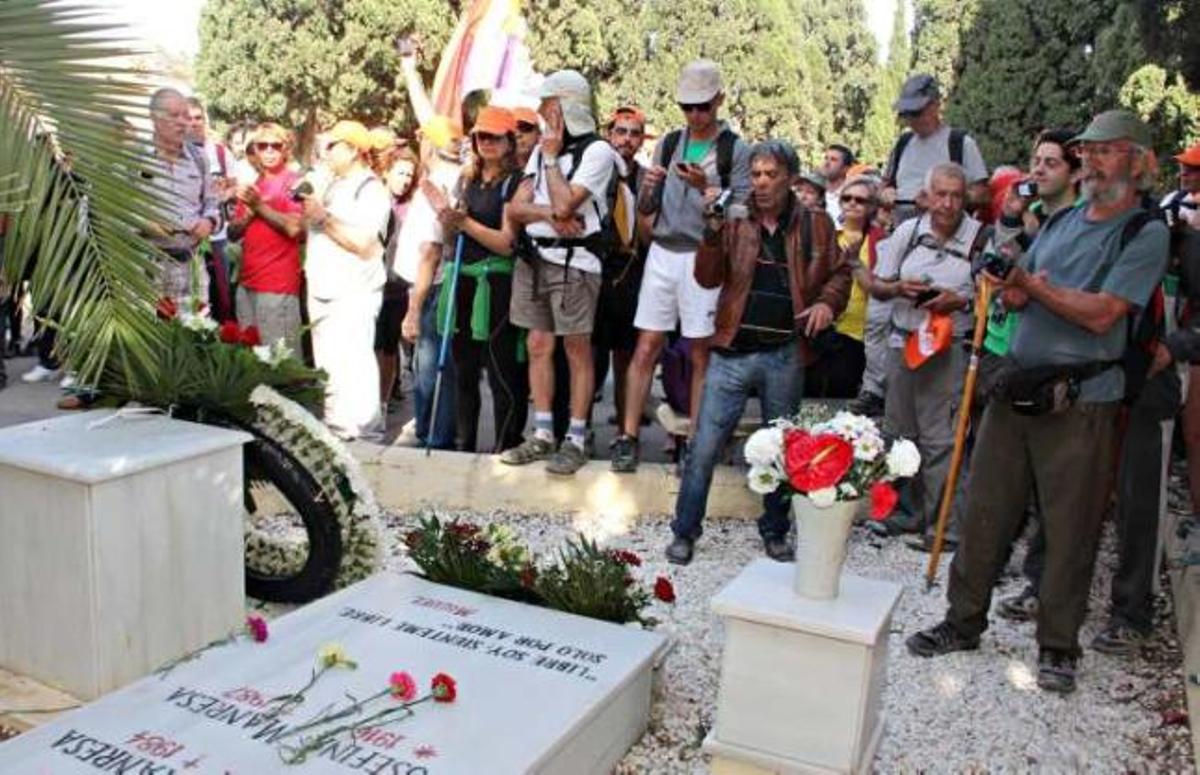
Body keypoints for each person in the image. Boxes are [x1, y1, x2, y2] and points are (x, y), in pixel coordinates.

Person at [906, 111, 1169, 695]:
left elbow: (1103, 314)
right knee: (985, 511)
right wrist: (1010, 290)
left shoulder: (1144, 232)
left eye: (1105, 151)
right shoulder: (1064, 219)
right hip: (1018, 384)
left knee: (1071, 528)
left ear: (1138, 161)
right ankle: (962, 620)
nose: (1091, 161)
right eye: (1087, 151)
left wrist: (1032, 285)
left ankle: (1058, 646)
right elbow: (1025, 292)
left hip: (1082, 401)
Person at [666, 140, 850, 565]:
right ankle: (684, 531)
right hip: (731, 353)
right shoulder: (733, 218)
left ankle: (775, 531)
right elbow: (706, 278)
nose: (761, 183)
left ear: (791, 179)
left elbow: (841, 274)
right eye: (756, 175)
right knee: (704, 446)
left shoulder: (816, 224)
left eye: (771, 175)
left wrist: (827, 303)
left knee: (782, 449)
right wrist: (711, 233)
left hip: (785, 354)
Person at [612, 59, 752, 473]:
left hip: (703, 254)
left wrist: (708, 190)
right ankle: (627, 437)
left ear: (719, 101)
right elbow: (648, 207)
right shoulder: (670, 142)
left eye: (702, 106)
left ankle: (695, 442)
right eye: (687, 107)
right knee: (646, 344)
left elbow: (741, 211)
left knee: (700, 351)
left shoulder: (734, 150)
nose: (694, 115)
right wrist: (649, 189)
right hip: (662, 249)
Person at [502, 69, 622, 475]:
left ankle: (576, 437)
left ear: (565, 106)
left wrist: (552, 161)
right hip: (536, 258)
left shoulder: (598, 152)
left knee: (577, 348)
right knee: (538, 344)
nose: (540, 111)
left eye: (547, 104)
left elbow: (567, 204)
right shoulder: (540, 151)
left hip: (576, 263)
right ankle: (542, 433)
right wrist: (550, 214)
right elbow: (516, 209)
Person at [868, 162, 989, 550]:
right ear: (926, 196)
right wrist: (898, 289)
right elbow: (878, 284)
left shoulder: (980, 238)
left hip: (949, 348)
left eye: (956, 195)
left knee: (942, 441)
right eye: (941, 194)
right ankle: (906, 512)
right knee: (900, 434)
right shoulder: (908, 231)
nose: (948, 204)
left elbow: (996, 297)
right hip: (905, 341)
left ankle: (946, 529)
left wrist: (961, 300)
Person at [426, 106, 528, 452]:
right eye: (481, 136)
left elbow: (506, 243)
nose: (486, 142)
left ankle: (506, 444)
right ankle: (463, 444)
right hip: (463, 278)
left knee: (501, 370)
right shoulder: (467, 178)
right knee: (463, 369)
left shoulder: (517, 182)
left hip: (496, 282)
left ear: (510, 141)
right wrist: (446, 218)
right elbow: (452, 235)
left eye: (494, 137)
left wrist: (463, 223)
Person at [299, 120, 392, 441]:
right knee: (329, 368)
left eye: (332, 145)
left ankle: (367, 436)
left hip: (353, 292)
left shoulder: (371, 190)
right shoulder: (330, 183)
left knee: (355, 365)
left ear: (353, 150)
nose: (325, 152)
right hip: (323, 288)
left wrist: (323, 217)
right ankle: (337, 434)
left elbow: (364, 244)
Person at [804, 176, 886, 399]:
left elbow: (881, 287)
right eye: (846, 198)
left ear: (872, 207)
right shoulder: (825, 233)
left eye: (860, 200)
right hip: (820, 326)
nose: (852, 203)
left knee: (842, 395)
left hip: (857, 333)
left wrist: (856, 265)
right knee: (809, 394)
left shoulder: (882, 241)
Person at [596, 105, 650, 430]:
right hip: (596, 265)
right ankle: (580, 430)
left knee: (626, 353)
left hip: (631, 269)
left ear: (641, 140)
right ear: (609, 134)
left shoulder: (646, 178)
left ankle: (624, 430)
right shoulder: (596, 169)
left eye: (634, 134)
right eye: (621, 131)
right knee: (589, 352)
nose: (626, 139)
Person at [228, 123, 304, 353]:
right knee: (252, 357)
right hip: (247, 282)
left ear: (286, 148)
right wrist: (248, 214)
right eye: (262, 146)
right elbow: (233, 232)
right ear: (255, 150)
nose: (269, 150)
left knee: (280, 358)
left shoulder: (296, 182)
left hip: (277, 285)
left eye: (276, 145)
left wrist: (259, 206)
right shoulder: (255, 185)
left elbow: (295, 228)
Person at [145, 88, 221, 310]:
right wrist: (145, 223)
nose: (182, 122)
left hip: (191, 266)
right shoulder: (133, 158)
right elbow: (113, 212)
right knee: (152, 328)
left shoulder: (199, 158)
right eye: (173, 115)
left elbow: (212, 203)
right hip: (149, 267)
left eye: (185, 116)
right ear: (154, 117)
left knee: (196, 327)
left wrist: (209, 221)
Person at [882, 74, 989, 225]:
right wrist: (885, 193)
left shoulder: (960, 143)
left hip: (947, 233)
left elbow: (983, 195)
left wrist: (941, 199)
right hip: (903, 231)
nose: (911, 120)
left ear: (935, 106)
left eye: (916, 112)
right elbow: (883, 186)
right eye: (906, 113)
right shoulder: (903, 143)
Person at [375, 142, 420, 421]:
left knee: (389, 346)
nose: (404, 180)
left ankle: (383, 402)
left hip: (397, 285)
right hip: (370, 282)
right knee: (372, 345)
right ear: (386, 171)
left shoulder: (412, 208)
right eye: (400, 173)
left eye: (409, 175)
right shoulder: (373, 198)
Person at [185, 96, 235, 321]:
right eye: (189, 118)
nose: (194, 123)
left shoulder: (221, 153)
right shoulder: (175, 154)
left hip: (218, 235)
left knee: (223, 292)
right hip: (188, 236)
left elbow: (234, 185)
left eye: (198, 118)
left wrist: (223, 194)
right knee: (194, 295)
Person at [822, 143, 855, 223]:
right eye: (826, 158)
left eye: (833, 160)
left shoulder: (853, 198)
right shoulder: (813, 191)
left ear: (846, 168)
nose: (826, 163)